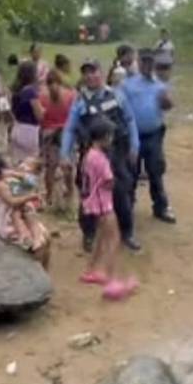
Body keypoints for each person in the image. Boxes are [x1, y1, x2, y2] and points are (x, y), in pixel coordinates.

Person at [60, 58, 141, 253]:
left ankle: (127, 232)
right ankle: (89, 234)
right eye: (86, 72)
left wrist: (135, 145)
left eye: (93, 71)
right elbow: (70, 129)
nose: (90, 75)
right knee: (89, 195)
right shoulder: (79, 101)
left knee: (122, 193)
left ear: (102, 73)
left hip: (117, 152)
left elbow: (130, 121)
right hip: (91, 156)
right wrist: (65, 154)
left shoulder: (117, 95)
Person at [79, 119, 138, 300]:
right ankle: (112, 281)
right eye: (110, 136)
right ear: (104, 138)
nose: (112, 139)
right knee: (114, 239)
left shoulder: (88, 155)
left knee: (101, 236)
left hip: (92, 202)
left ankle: (91, 270)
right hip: (103, 204)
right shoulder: (101, 159)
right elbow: (108, 180)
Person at [120, 49, 177, 224]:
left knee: (155, 170)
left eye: (150, 62)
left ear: (153, 63)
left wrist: (167, 102)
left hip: (154, 134)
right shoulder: (127, 84)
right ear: (139, 62)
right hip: (132, 135)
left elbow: (168, 106)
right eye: (143, 61)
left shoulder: (160, 85)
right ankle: (127, 207)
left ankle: (160, 207)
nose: (147, 65)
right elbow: (121, 109)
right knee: (131, 172)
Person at [0, 153, 50, 263]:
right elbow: (12, 202)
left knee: (28, 215)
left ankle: (32, 238)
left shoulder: (1, 176)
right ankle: (28, 239)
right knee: (41, 243)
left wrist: (21, 175)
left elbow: (19, 177)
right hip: (7, 221)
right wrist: (30, 196)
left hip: (16, 213)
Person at [39, 69, 76, 209]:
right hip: (66, 133)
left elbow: (41, 120)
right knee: (68, 164)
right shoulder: (70, 95)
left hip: (49, 133)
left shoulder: (42, 97)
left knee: (50, 167)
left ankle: (49, 195)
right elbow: (73, 116)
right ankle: (70, 191)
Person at [9, 61, 45, 164]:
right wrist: (43, 110)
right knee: (30, 164)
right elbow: (39, 116)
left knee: (18, 163)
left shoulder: (15, 89)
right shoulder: (30, 91)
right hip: (29, 130)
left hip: (17, 126)